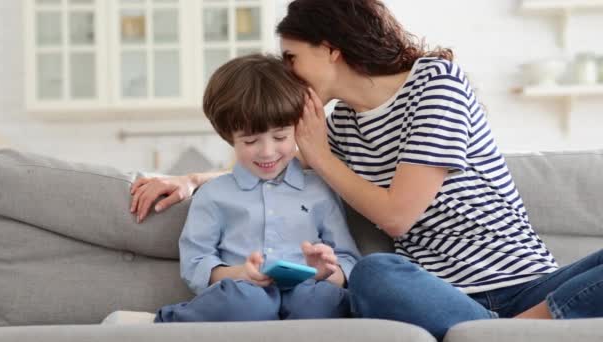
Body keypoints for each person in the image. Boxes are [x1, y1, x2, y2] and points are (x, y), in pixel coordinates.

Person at [130, 0, 603, 339]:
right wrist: (192, 180)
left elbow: (399, 214)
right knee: (373, 273)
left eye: (293, 58)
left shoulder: (436, 83)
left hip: (529, 285)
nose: (289, 73)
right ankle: (507, 335)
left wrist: (319, 156)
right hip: (435, 293)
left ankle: (514, 331)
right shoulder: (340, 127)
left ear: (330, 49)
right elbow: (270, 169)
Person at [153, 54, 360, 322]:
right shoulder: (214, 194)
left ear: (297, 128)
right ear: (230, 137)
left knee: (317, 302)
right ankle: (170, 320)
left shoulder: (320, 189)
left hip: (309, 292)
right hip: (243, 294)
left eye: (280, 137)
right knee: (249, 303)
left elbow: (349, 259)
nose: (267, 151)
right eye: (251, 141)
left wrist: (326, 271)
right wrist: (239, 274)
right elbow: (196, 261)